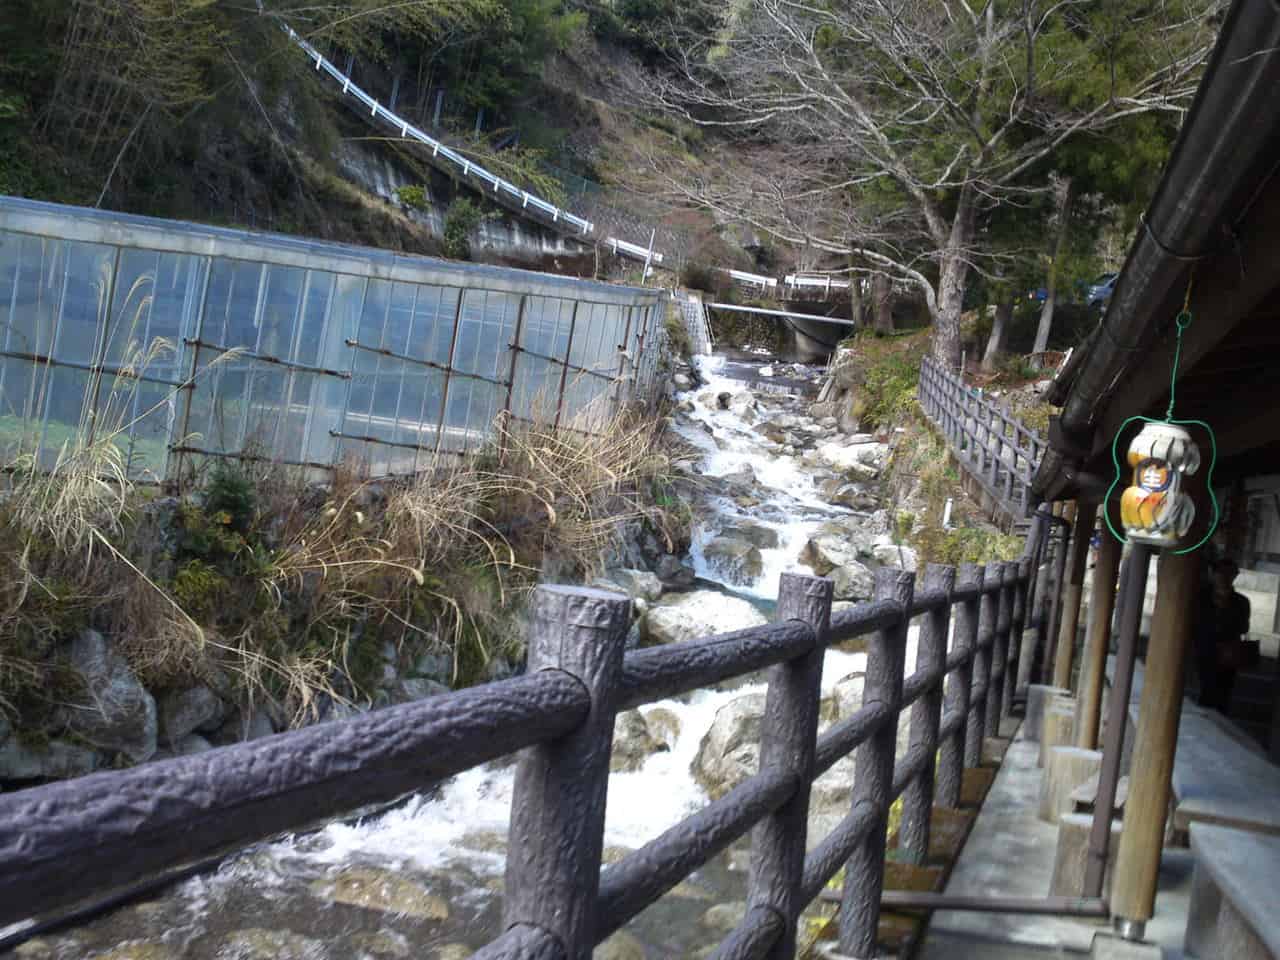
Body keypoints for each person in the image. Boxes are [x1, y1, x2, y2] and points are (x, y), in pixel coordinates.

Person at [1194, 557, 1251, 713]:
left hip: (1228, 652)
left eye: (1230, 573)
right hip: (1204, 649)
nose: (1225, 577)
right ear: (1213, 574)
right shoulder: (1201, 597)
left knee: (1224, 692)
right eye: (1222, 573)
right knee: (1206, 687)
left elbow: (1243, 627)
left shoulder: (1241, 602)